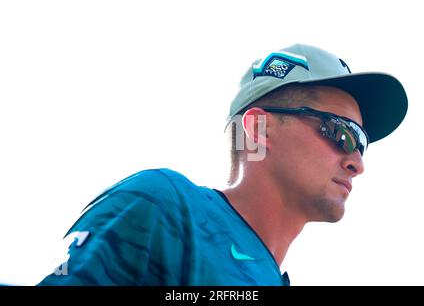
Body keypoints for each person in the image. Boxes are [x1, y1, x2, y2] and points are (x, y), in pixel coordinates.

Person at [38, 44, 408, 286]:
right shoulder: (163, 206)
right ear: (258, 128)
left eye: (363, 143)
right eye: (342, 133)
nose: (357, 162)